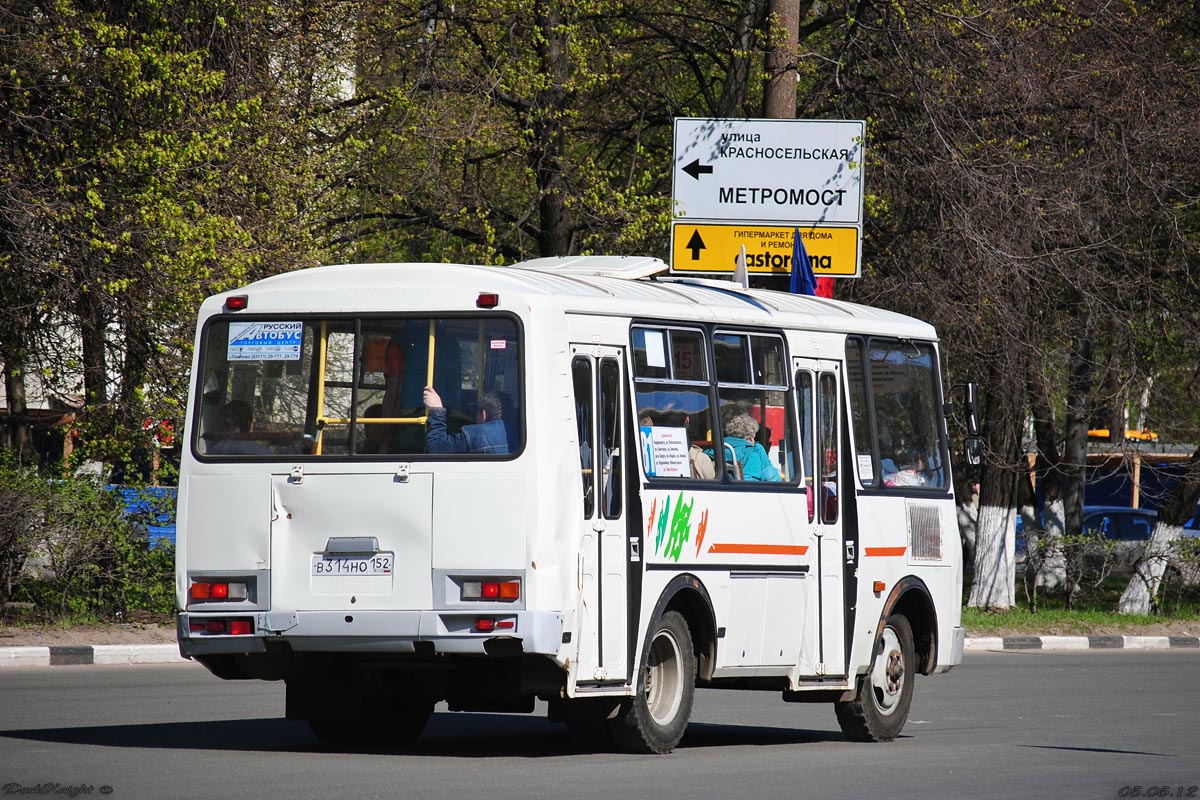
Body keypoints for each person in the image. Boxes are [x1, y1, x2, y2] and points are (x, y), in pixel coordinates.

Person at [423, 387, 508, 455]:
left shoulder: (478, 434)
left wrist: (437, 410)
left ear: (484, 414)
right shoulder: (516, 433)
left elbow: (436, 449)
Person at [710, 412, 780, 482]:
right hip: (751, 489)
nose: (754, 442)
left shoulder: (714, 449)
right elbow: (773, 479)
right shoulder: (757, 450)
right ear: (748, 439)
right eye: (753, 438)